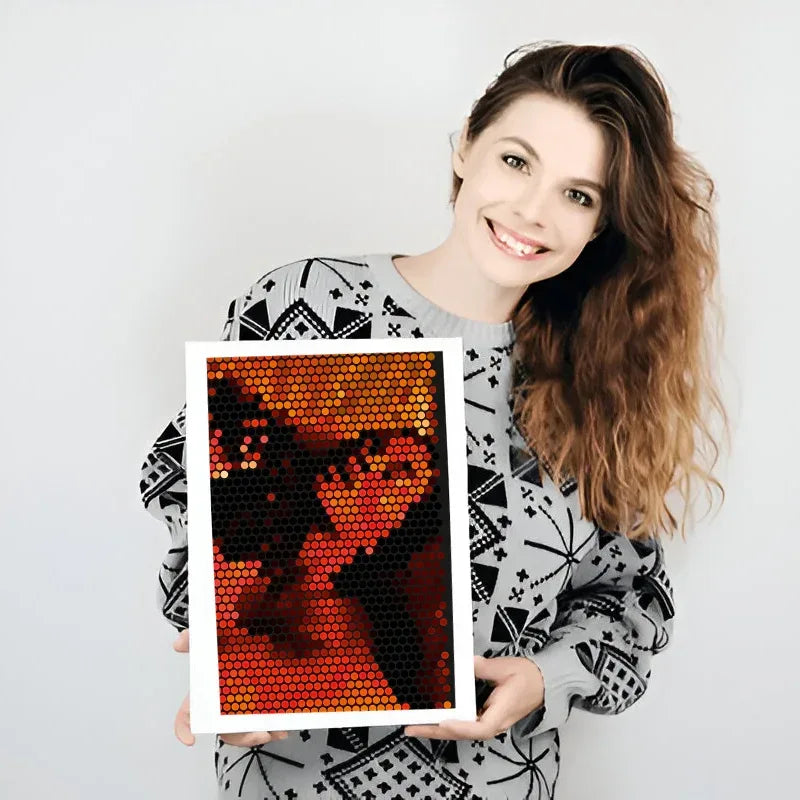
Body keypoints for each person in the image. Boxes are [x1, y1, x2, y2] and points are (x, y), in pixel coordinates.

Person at [139, 41, 728, 800]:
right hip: (292, 779)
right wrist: (232, 656)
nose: (531, 211)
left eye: (578, 196)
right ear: (464, 148)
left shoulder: (599, 384)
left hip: (494, 783)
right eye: (517, 162)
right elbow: (186, 491)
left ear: (600, 228)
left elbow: (632, 602)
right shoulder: (311, 306)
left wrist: (542, 677)